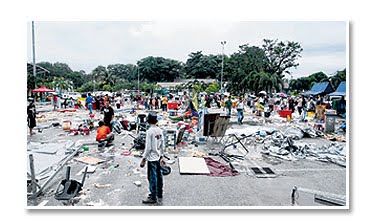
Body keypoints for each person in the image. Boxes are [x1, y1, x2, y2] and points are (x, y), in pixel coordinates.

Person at [140, 112, 165, 204]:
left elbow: (148, 147)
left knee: (152, 177)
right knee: (159, 176)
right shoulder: (159, 130)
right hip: (158, 157)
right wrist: (161, 155)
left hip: (151, 158)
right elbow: (163, 144)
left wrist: (143, 158)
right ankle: (160, 193)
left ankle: (153, 196)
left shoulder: (149, 131)